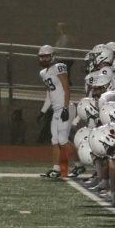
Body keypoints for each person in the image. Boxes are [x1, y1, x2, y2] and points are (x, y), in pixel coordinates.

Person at [38, 44, 71, 180]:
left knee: (62, 140)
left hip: (65, 107)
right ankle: (56, 169)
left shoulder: (59, 67)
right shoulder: (43, 73)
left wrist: (65, 107)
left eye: (46, 56)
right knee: (55, 140)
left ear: (52, 56)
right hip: (56, 109)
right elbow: (49, 94)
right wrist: (42, 111)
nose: (43, 59)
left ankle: (79, 164)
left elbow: (66, 88)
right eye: (41, 57)